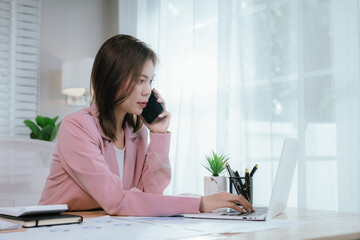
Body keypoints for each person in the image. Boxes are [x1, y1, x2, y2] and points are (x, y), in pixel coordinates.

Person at [39, 34, 254, 216]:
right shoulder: (76, 128)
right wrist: (199, 203)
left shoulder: (136, 132)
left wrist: (159, 135)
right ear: (112, 79)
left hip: (105, 226)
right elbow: (116, 201)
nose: (147, 91)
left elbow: (150, 196)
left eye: (150, 81)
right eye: (140, 80)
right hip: (55, 227)